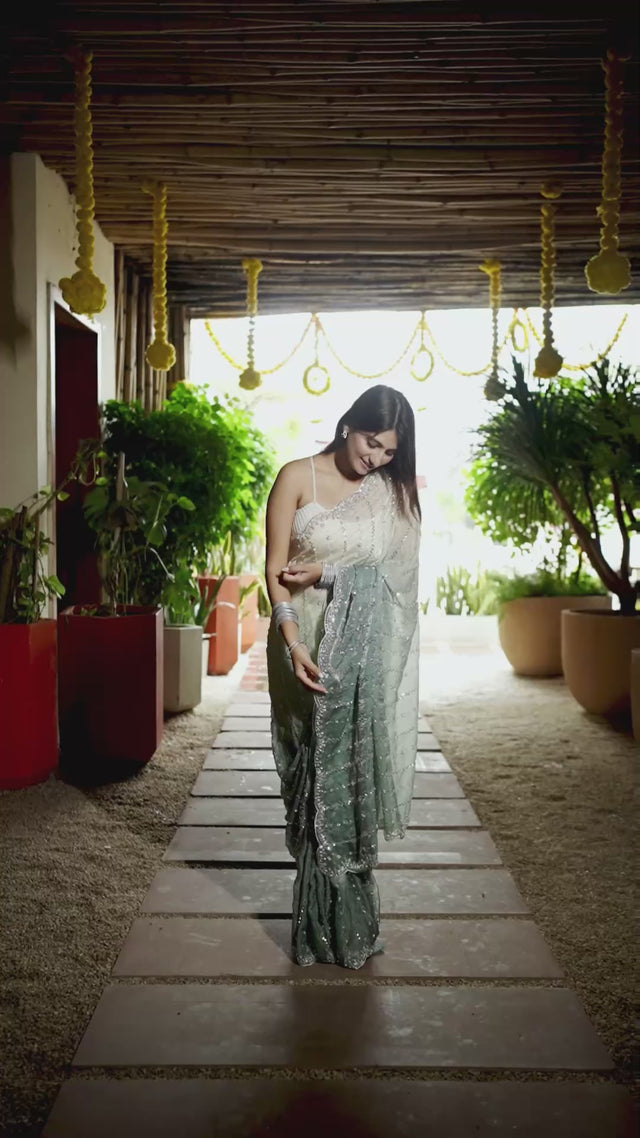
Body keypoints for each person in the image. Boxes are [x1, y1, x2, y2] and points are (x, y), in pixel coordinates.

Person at [265, 384, 421, 969]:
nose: (375, 459)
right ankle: (314, 918)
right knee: (309, 773)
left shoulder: (387, 491)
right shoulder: (296, 475)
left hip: (361, 650)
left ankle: (344, 923)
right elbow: (274, 567)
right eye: (370, 443)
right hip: (300, 641)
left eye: (388, 451)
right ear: (348, 424)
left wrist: (331, 573)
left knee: (345, 776)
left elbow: (396, 575)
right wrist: (293, 640)